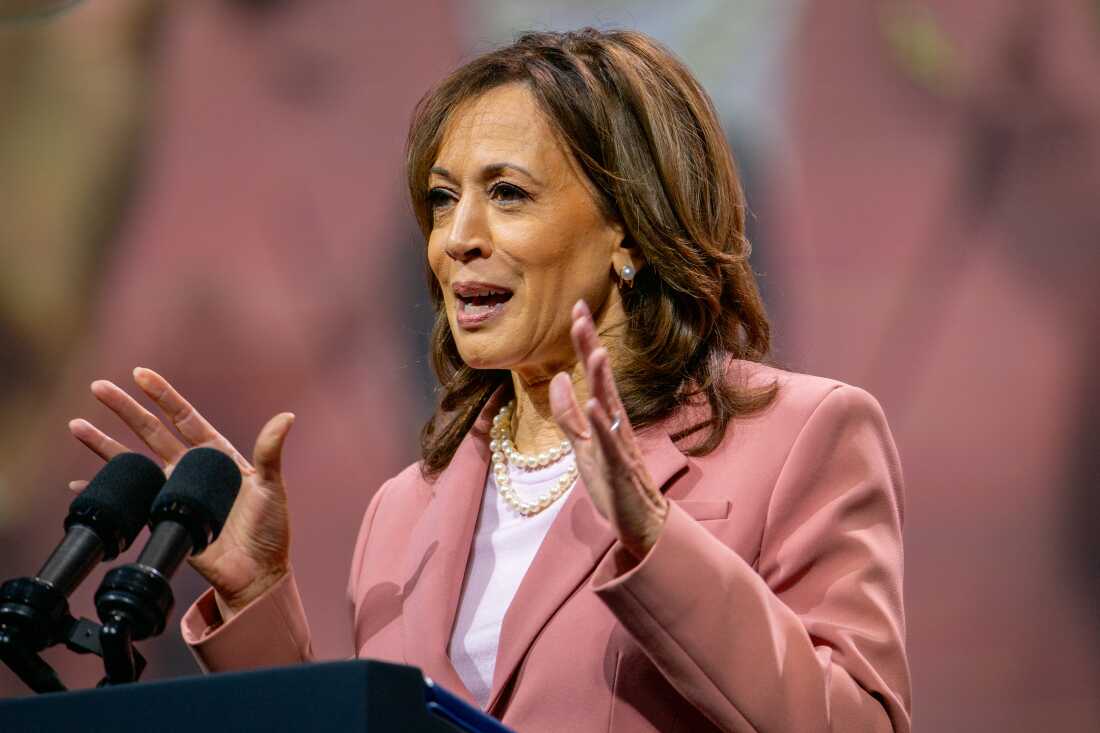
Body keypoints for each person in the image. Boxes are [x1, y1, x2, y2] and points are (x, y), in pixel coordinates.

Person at [68, 29, 911, 733]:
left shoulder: (806, 434)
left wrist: (657, 538)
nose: (455, 239)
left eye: (506, 193)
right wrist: (256, 596)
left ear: (630, 226)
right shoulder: (405, 508)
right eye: (441, 200)